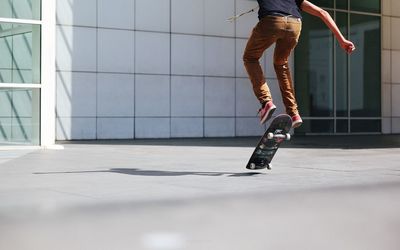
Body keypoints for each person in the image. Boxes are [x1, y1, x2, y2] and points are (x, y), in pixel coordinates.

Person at [243, 0, 355, 128]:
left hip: (271, 21)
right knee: (281, 64)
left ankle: (266, 102)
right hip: (294, 25)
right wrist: (342, 40)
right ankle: (293, 113)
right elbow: (322, 12)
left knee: (250, 58)